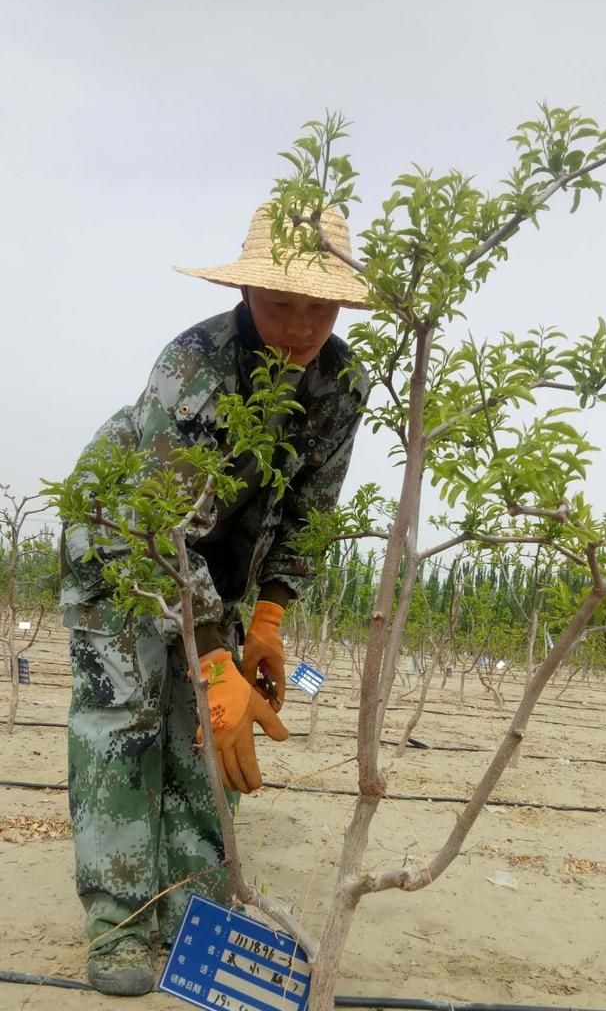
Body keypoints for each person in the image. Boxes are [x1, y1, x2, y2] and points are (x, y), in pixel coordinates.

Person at [60, 204, 369, 996]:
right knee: (126, 717)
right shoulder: (195, 365)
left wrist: (264, 620)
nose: (301, 328)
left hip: (216, 567)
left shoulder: (340, 385)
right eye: (280, 305)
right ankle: (122, 919)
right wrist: (212, 652)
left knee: (202, 730)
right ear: (246, 293)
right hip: (124, 542)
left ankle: (196, 897)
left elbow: (307, 512)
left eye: (320, 306)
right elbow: (163, 531)